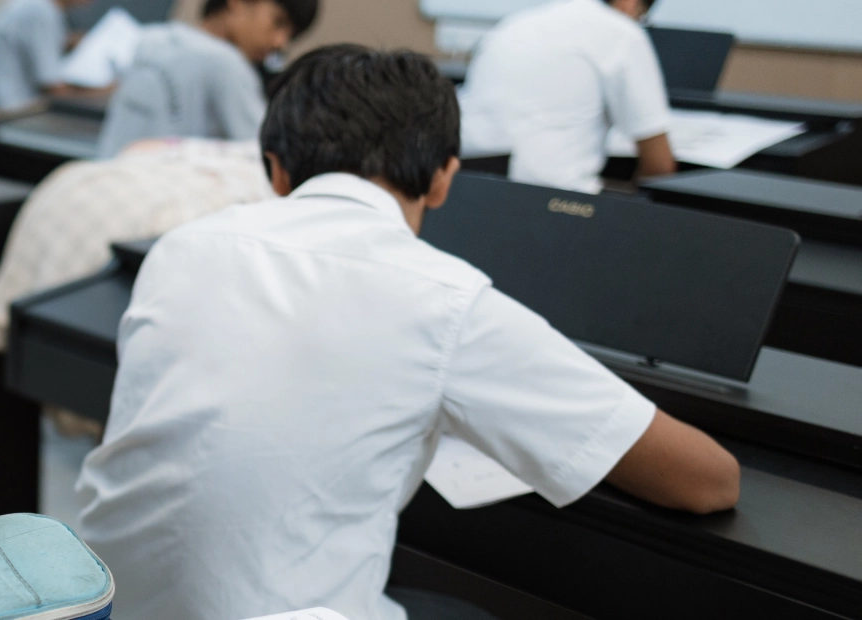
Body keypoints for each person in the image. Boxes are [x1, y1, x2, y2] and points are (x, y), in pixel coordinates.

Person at [75, 45, 739, 619]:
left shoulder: (183, 245)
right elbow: (707, 482)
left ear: (276, 169)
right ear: (445, 177)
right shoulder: (444, 297)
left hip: (106, 602)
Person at [459, 0, 676, 194]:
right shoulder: (623, 32)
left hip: (472, 190)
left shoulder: (514, 24)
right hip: (555, 203)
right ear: (629, 3)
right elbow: (660, 166)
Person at [95, 0, 317, 158]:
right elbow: (264, 154)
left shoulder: (152, 39)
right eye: (278, 22)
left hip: (103, 180)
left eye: (290, 35)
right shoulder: (227, 64)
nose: (281, 42)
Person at [0, 0, 104, 112]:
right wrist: (106, 91)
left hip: (7, 101)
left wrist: (67, 42)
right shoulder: (41, 12)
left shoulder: (39, 6)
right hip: (14, 111)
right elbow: (54, 89)